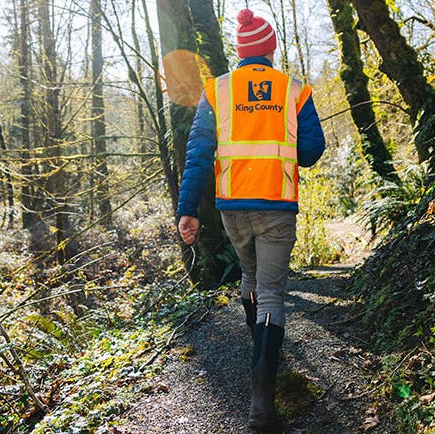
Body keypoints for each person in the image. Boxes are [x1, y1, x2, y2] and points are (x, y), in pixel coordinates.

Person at [176, 7, 325, 431]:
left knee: (249, 277)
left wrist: (188, 210)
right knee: (272, 294)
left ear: (241, 51)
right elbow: (313, 150)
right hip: (275, 205)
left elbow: (198, 152)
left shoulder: (217, 90)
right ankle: (262, 406)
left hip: (232, 209)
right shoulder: (293, 89)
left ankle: (258, 344)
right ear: (270, 50)